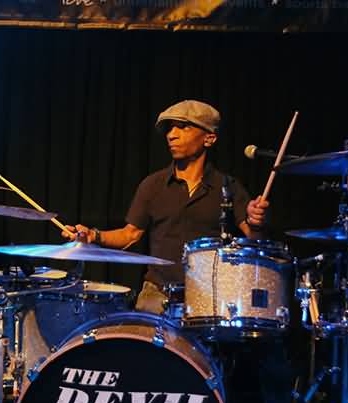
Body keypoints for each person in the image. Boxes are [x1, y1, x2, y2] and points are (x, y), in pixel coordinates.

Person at [63, 99, 269, 314]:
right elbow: (130, 234)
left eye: (183, 127)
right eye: (170, 129)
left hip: (211, 296)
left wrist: (256, 223)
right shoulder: (153, 185)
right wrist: (93, 236)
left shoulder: (229, 187)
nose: (172, 135)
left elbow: (254, 241)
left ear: (209, 138)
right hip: (157, 293)